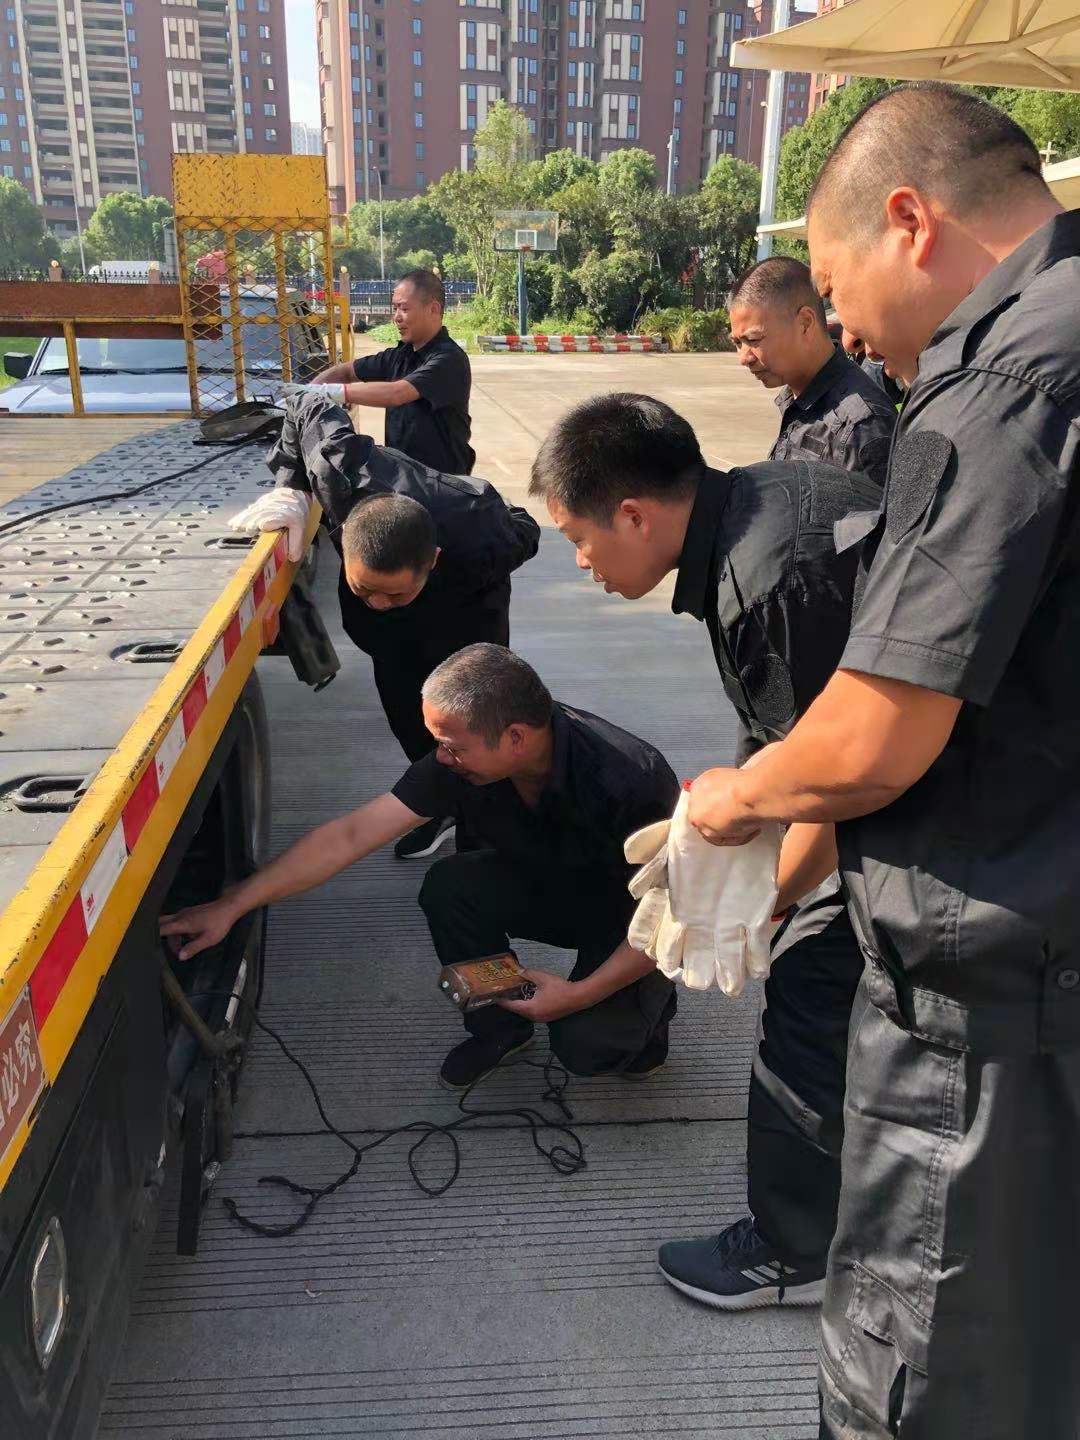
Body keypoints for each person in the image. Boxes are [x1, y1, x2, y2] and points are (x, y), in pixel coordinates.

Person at [683, 82, 1080, 1436]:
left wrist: (734, 801)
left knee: (921, 1383)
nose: (845, 327)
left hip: (995, 1014)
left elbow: (875, 736)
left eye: (839, 287)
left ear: (910, 220)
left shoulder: (1003, 388)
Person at [529, 392, 881, 1309]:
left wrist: (769, 899)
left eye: (579, 540)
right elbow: (790, 735)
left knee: (807, 994)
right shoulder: (767, 498)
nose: (581, 564)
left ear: (634, 516)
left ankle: (792, 1253)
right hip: (959, 782)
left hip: (941, 809)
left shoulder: (769, 584)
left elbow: (843, 779)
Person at [160, 644, 679, 1090]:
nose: (441, 758)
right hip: (555, 886)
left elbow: (676, 914)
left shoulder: (630, 778)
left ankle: (647, 1020)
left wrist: (577, 997)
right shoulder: (464, 763)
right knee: (451, 886)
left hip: (629, 919)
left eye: (452, 747)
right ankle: (502, 1028)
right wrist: (233, 904)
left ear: (516, 737)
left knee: (586, 1047)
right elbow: (351, 835)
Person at [263, 391, 540, 858]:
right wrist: (290, 486)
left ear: (432, 560)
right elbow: (305, 403)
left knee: (475, 729)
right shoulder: (338, 469)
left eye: (394, 594)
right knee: (409, 719)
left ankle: (483, 842)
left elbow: (525, 529)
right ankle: (444, 808)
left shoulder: (480, 532)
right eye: (364, 589)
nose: (378, 603)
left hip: (464, 619)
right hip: (392, 644)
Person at [285, 268, 475, 476]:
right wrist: (311, 390)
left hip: (443, 483)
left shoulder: (448, 359)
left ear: (433, 309)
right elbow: (347, 371)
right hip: (406, 478)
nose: (397, 317)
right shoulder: (399, 356)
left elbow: (397, 393)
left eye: (404, 309)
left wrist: (330, 392)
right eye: (395, 309)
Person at [729, 255, 897, 487]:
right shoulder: (797, 399)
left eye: (754, 340)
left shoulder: (862, 425)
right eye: (738, 343)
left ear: (805, 323)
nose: (744, 358)